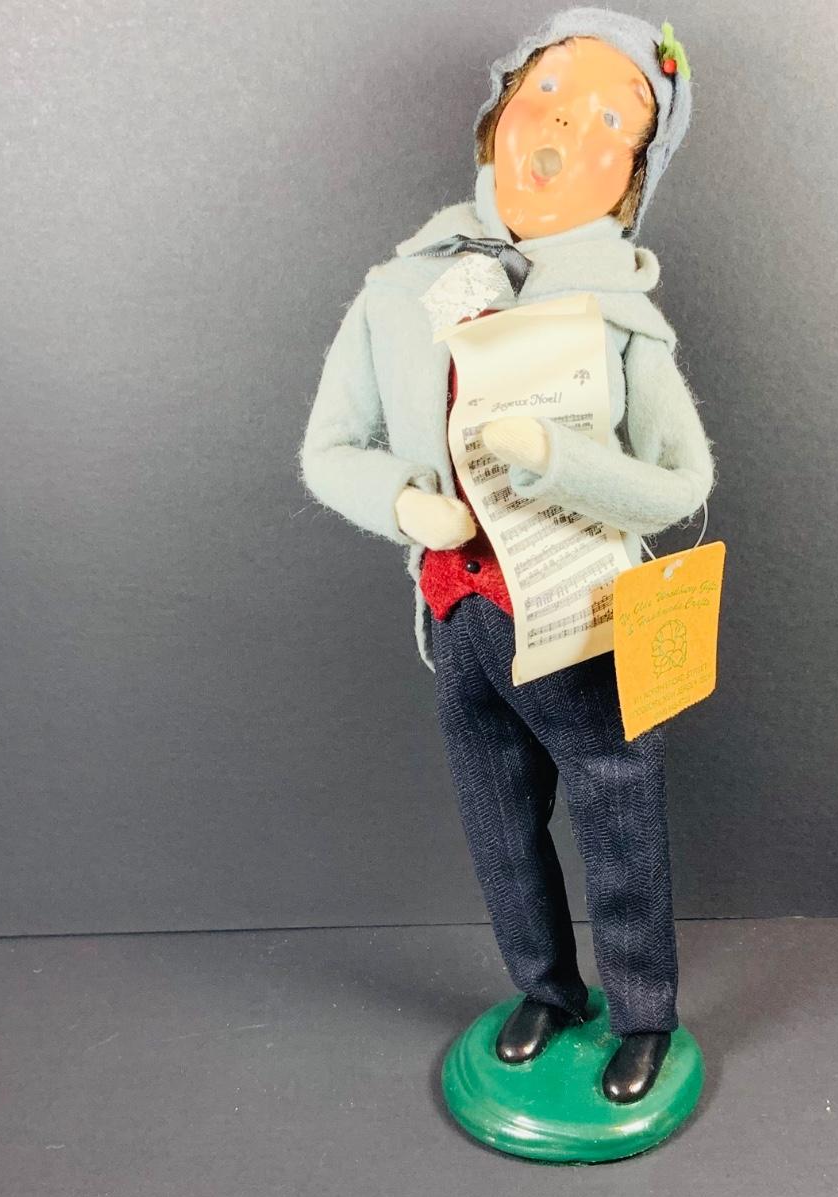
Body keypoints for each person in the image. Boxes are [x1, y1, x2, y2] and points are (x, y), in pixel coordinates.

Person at [298, 8, 714, 1104]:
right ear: (499, 115)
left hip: (582, 620)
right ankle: (544, 987)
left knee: (617, 808)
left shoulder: (619, 317)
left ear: (632, 179)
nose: (567, 133)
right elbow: (329, 448)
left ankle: (645, 1012)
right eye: (551, 96)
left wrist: (562, 464)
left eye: (613, 125)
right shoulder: (400, 290)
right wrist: (403, 503)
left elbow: (681, 481)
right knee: (496, 818)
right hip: (459, 614)